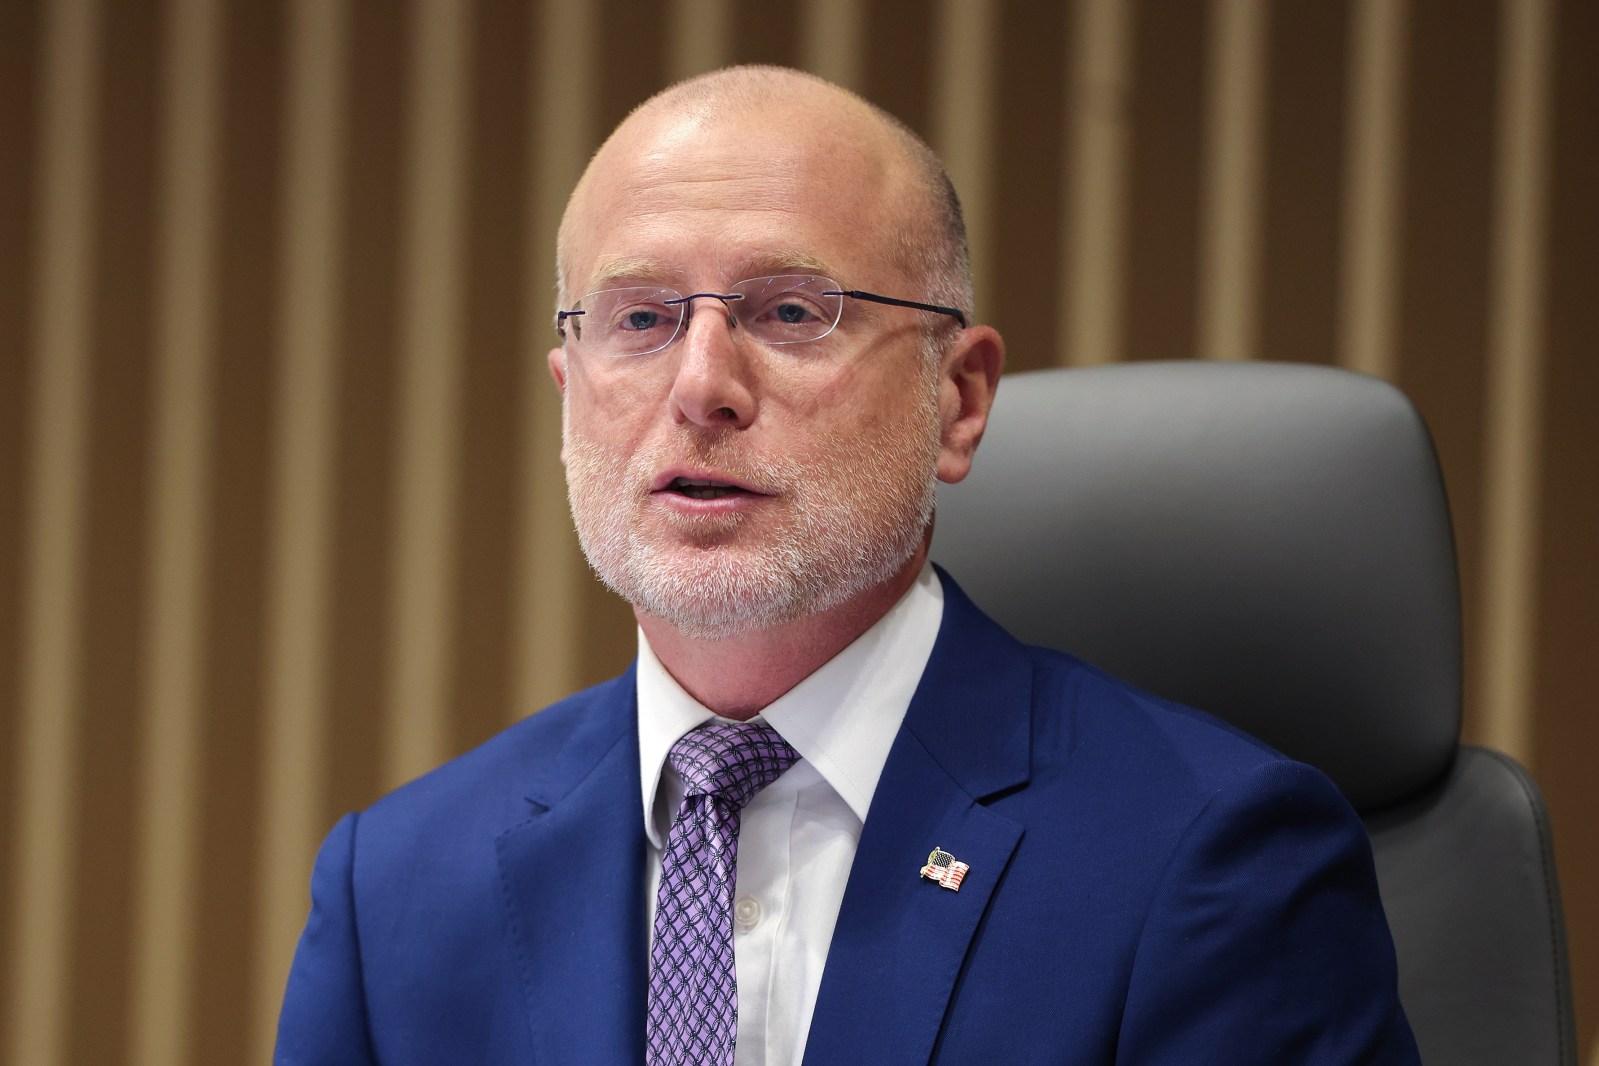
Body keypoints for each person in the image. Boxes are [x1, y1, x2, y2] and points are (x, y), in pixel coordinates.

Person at [276, 65, 1419, 1065]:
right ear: (568, 395)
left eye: (789, 311)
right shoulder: (398, 889)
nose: (701, 386)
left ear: (957, 400)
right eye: (640, 319)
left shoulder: (1211, 858)